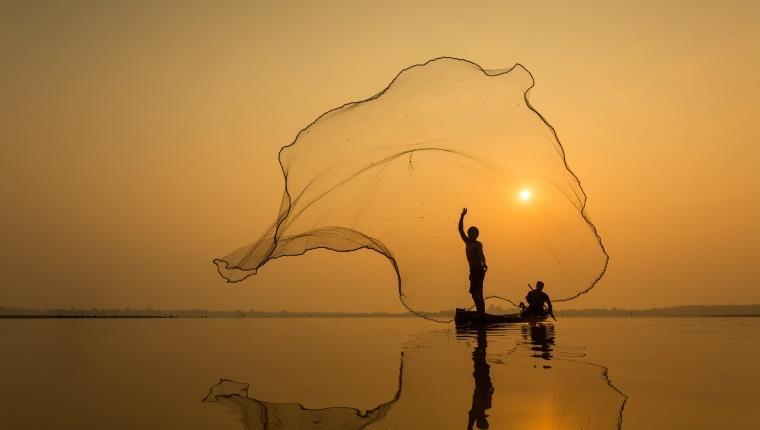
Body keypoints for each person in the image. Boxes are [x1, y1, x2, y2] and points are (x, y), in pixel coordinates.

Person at [459, 208, 487, 314]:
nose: (471, 234)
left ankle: (481, 312)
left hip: (478, 270)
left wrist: (484, 263)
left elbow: (481, 255)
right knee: (478, 292)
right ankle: (481, 312)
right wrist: (462, 216)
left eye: (474, 233)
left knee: (475, 292)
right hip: (474, 270)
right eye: (470, 232)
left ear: (476, 235)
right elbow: (460, 230)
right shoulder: (467, 242)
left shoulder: (477, 244)